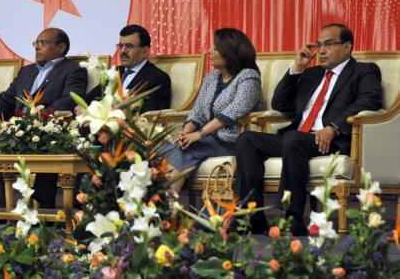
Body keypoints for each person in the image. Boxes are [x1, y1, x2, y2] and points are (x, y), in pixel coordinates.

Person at [235, 23, 382, 235]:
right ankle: (251, 215)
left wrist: (334, 127)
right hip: (297, 139)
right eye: (319, 45)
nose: (321, 51)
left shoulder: (363, 71)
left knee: (293, 139)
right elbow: (280, 104)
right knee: (247, 139)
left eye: (329, 45)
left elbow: (370, 100)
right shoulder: (311, 74)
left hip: (330, 141)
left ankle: (293, 217)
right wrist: (297, 68)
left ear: (347, 47)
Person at [0, 28, 88, 208]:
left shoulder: (73, 70)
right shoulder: (27, 71)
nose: (37, 48)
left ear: (61, 47)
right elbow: (4, 99)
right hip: (13, 129)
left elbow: (70, 99)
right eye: (36, 43)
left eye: (43, 43)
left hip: (43, 130)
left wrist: (38, 116)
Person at [160, 28, 263, 193]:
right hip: (208, 140)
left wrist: (198, 135)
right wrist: (185, 134)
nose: (210, 51)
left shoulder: (249, 77)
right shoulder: (211, 77)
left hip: (232, 142)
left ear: (229, 52)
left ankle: (167, 206)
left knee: (187, 151)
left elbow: (232, 112)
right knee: (166, 149)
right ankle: (163, 206)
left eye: (215, 48)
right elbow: (198, 113)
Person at [84, 24, 171, 112]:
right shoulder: (114, 72)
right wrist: (79, 108)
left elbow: (150, 114)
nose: (123, 51)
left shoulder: (158, 78)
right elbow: (88, 99)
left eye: (129, 46)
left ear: (145, 51)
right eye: (121, 46)